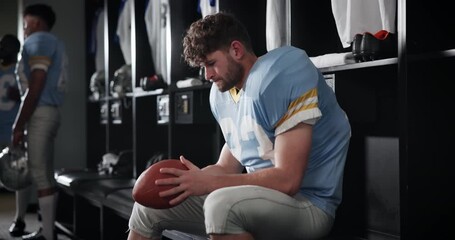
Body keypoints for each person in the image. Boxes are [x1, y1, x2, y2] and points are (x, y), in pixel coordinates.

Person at [128, 12, 351, 240]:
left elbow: (288, 180)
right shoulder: (222, 94)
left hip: (309, 205)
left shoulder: (280, 73)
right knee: (148, 207)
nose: (208, 75)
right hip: (254, 201)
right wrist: (189, 181)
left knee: (221, 205)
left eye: (211, 63)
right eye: (203, 67)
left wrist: (210, 183)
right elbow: (226, 167)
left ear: (236, 50)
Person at [11, 4, 68, 240]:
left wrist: (18, 124)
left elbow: (36, 85)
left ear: (35, 23)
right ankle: (47, 230)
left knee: (40, 174)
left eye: (25, 25)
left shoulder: (38, 40)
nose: (24, 30)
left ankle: (47, 235)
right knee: (45, 171)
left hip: (41, 112)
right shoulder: (55, 42)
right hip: (50, 112)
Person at [0, 33, 34, 238]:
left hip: (15, 129)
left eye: (7, 46)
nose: (4, 49)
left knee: (22, 174)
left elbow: (31, 94)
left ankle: (20, 218)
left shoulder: (22, 68)